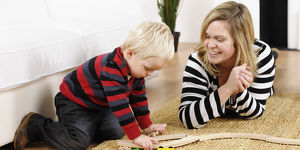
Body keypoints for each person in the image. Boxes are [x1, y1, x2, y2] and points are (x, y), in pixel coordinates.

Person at [14, 21, 174, 150]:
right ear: (130, 54)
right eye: (148, 68)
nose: (149, 74)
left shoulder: (137, 72)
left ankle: (89, 128)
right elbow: (120, 106)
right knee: (77, 142)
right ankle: (35, 124)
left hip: (101, 105)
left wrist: (146, 126)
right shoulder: (110, 68)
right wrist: (136, 136)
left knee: (116, 132)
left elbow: (138, 100)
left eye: (153, 70)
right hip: (75, 103)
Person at [179, 1, 275, 129]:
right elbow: (187, 119)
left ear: (240, 41)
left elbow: (255, 113)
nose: (210, 45)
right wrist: (228, 88)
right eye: (207, 36)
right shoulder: (198, 60)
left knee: (268, 90)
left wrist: (239, 91)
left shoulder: (260, 55)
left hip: (255, 68)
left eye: (219, 39)